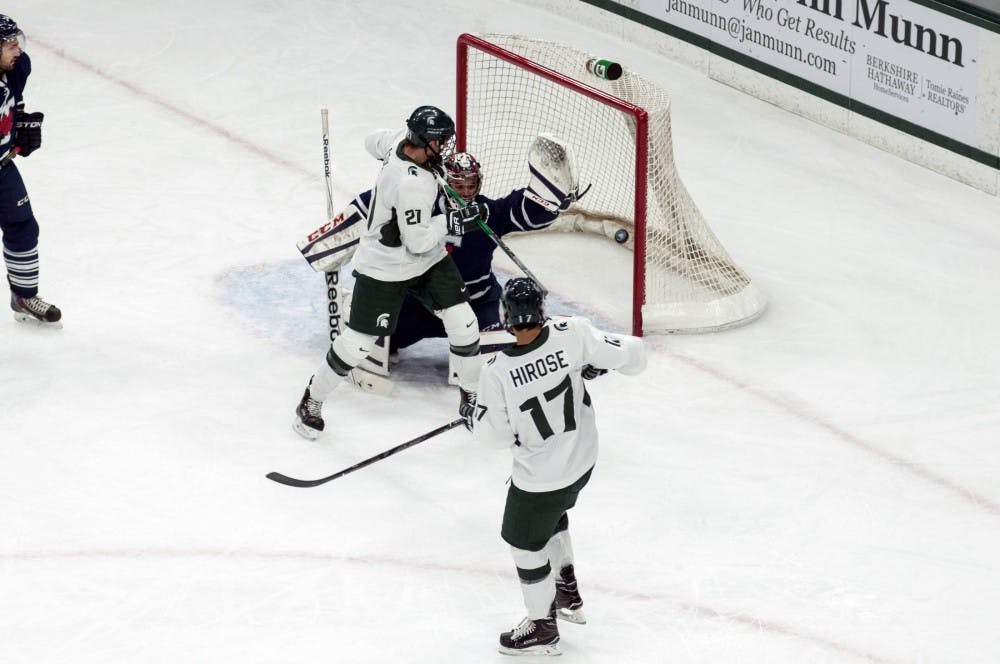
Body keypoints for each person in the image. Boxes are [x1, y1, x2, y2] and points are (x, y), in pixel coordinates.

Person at [297, 134, 587, 388]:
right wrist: (327, 243)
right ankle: (356, 308)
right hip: (421, 302)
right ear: (445, 182)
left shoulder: (486, 213)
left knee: (499, 355)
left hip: (477, 302)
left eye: (471, 185)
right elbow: (373, 205)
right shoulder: (420, 202)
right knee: (378, 340)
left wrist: (551, 196)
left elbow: (526, 211)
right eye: (458, 185)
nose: (465, 192)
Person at [467, 277, 646, 656]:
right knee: (553, 515)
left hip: (540, 479)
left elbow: (493, 438)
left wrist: (473, 416)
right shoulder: (573, 333)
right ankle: (566, 590)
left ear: (506, 316)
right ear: (541, 313)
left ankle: (542, 626)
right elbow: (634, 355)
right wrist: (595, 364)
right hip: (582, 461)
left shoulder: (496, 371)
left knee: (522, 542)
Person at [293, 105, 485, 439]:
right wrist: (454, 221)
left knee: (464, 324)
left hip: (427, 264)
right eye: (441, 142)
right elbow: (419, 240)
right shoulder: (413, 186)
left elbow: (372, 141)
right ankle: (312, 399)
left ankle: (470, 395)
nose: (446, 148)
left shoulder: (399, 142)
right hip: (385, 266)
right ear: (424, 141)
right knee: (356, 345)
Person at [0, 15, 61, 325]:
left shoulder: (16, 68)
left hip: (2, 169)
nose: (17, 51)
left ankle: (24, 296)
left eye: (17, 43)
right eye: (10, 46)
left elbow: (14, 97)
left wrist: (19, 127)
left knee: (23, 226)